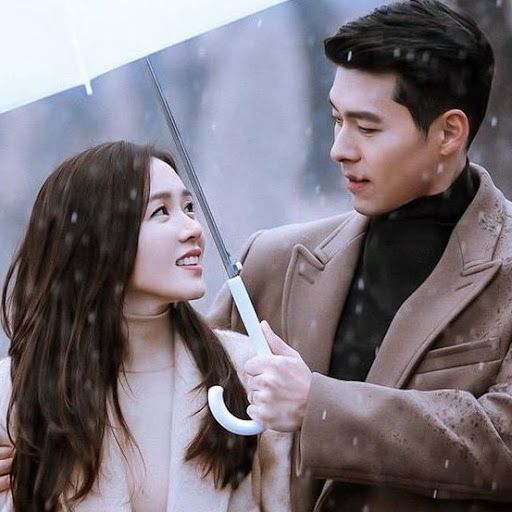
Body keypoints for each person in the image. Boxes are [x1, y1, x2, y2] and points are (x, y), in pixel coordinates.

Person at [208, 1, 512, 510]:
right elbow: (173, 394)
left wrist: (318, 407)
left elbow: (502, 442)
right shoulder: (272, 261)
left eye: (367, 128)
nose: (339, 149)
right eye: (336, 120)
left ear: (449, 132)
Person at [0, 141, 291, 511]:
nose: (192, 228)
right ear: (99, 235)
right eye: (161, 212)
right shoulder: (18, 393)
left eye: (189, 207)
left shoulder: (247, 370)